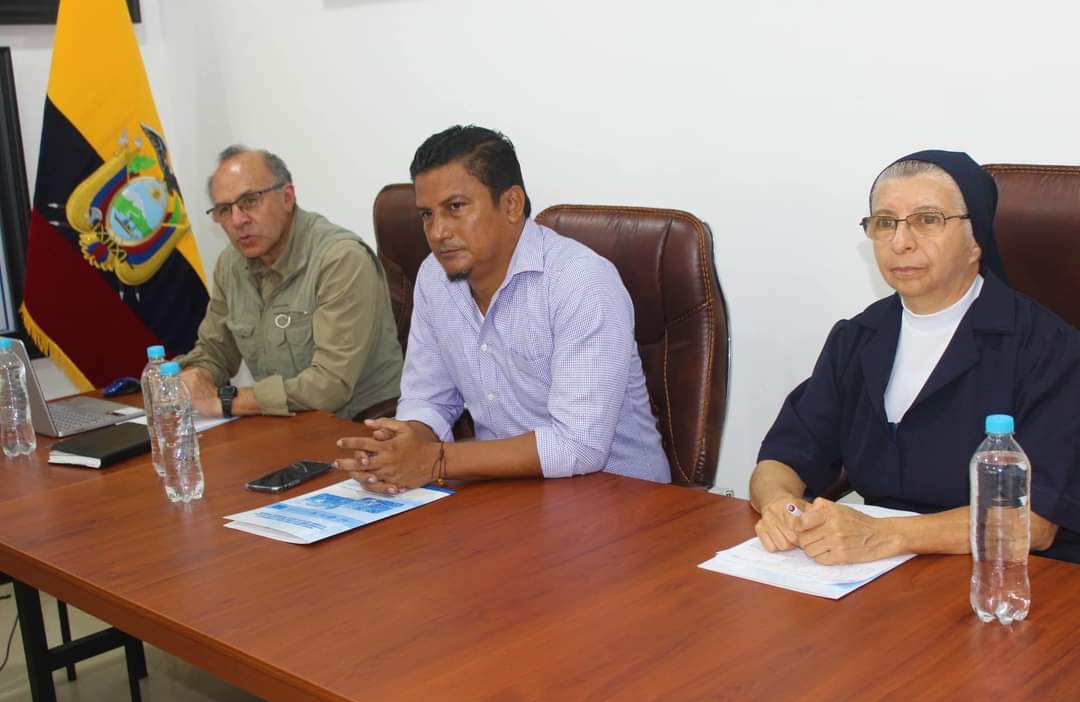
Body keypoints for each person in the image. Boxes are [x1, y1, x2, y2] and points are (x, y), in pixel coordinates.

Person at [751, 150, 1080, 564]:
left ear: (976, 240)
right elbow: (784, 455)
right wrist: (782, 507)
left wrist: (884, 535)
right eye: (885, 223)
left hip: (1014, 575)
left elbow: (1035, 520)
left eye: (928, 220)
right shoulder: (858, 337)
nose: (900, 242)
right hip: (882, 572)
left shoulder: (1050, 348)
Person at [334, 125, 669, 492]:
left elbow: (578, 446)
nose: (438, 232)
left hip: (620, 497)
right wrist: (402, 447)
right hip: (507, 489)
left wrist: (434, 460)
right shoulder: (434, 276)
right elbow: (428, 399)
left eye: (455, 208)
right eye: (427, 214)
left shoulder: (580, 281)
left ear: (511, 204)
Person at [177, 146, 402, 420]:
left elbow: (330, 386)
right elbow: (215, 351)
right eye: (224, 209)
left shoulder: (340, 259)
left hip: (360, 426)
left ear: (287, 197)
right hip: (285, 425)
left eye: (250, 201)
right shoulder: (231, 264)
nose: (237, 220)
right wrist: (197, 376)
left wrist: (226, 401)